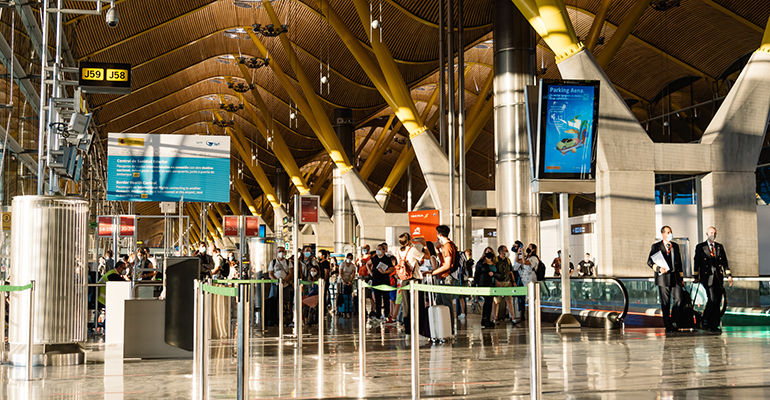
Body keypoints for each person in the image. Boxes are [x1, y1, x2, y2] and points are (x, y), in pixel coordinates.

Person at [694, 226, 733, 333]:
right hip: (707, 277)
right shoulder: (701, 247)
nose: (713, 234)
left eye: (715, 233)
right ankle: (705, 318)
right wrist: (696, 276)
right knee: (712, 299)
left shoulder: (719, 247)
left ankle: (714, 324)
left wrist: (728, 275)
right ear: (707, 234)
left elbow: (725, 262)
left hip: (718, 277)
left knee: (717, 301)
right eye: (711, 232)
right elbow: (696, 261)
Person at [647, 225, 685, 333]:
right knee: (665, 302)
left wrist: (681, 278)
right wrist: (659, 269)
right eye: (667, 232)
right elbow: (649, 262)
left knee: (679, 299)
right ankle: (668, 326)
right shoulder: (656, 246)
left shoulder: (675, 246)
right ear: (663, 234)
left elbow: (679, 263)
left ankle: (673, 320)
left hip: (675, 277)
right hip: (663, 278)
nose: (670, 234)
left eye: (670, 232)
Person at [425, 225, 457, 325]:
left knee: (446, 303)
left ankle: (449, 327)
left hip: (446, 277)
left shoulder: (447, 246)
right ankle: (441, 325)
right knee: (438, 301)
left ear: (439, 234)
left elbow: (447, 265)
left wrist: (434, 272)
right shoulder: (446, 246)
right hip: (442, 277)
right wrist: (438, 250)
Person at [268, 247, 293, 327]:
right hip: (275, 286)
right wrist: (277, 281)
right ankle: (274, 319)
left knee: (286, 302)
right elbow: (270, 274)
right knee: (274, 301)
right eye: (279, 251)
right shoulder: (273, 262)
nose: (281, 253)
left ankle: (286, 320)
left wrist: (284, 280)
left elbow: (291, 273)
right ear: (276, 252)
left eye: (283, 251)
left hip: (285, 285)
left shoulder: (288, 262)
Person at [473, 247, 497, 328]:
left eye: (490, 251)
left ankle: (486, 319)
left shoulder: (495, 262)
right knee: (487, 301)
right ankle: (484, 319)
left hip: (492, 284)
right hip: (483, 284)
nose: (489, 253)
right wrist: (474, 284)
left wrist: (494, 274)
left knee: (489, 302)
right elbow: (477, 274)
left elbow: (498, 274)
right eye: (487, 252)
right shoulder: (481, 263)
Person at [369, 243, 394, 321]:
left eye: (379, 249)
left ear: (383, 250)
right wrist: (371, 273)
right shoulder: (374, 258)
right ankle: (378, 315)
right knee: (377, 298)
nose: (378, 251)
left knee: (386, 298)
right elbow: (367, 264)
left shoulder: (387, 259)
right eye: (377, 249)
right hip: (376, 280)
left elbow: (392, 269)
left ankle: (387, 314)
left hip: (384, 280)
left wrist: (384, 272)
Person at [493, 245, 516, 324]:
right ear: (501, 252)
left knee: (509, 300)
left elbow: (510, 272)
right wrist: (496, 281)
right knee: (496, 301)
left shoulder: (508, 260)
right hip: (499, 282)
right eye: (505, 250)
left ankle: (513, 317)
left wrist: (513, 281)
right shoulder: (495, 260)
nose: (507, 252)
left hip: (507, 282)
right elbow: (494, 272)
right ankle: (495, 318)